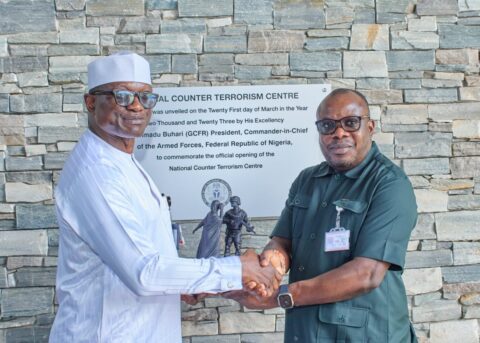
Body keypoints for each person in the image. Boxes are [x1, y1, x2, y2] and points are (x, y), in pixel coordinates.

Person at [49, 52, 281, 342]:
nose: (136, 106)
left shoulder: (122, 161)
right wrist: (237, 269)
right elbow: (145, 272)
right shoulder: (96, 174)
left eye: (146, 97)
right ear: (91, 102)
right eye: (122, 96)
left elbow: (147, 255)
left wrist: (184, 283)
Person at [225, 89, 418, 342]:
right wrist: (267, 271)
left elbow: (366, 274)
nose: (339, 133)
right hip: (305, 332)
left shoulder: (390, 185)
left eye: (351, 122)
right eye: (327, 125)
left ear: (370, 127)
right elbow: (283, 242)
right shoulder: (307, 180)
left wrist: (278, 295)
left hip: (365, 335)